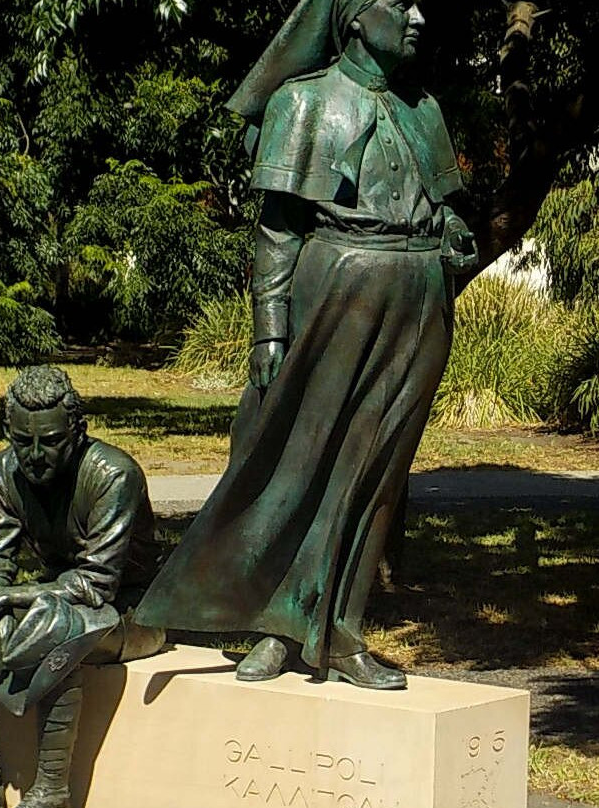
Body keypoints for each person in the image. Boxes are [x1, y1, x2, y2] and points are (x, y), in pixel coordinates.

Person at [135, 0, 476, 690]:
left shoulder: (424, 108)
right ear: (352, 18)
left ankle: (342, 631)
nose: (417, 15)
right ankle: (270, 624)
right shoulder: (303, 103)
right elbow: (277, 228)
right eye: (395, 3)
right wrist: (269, 325)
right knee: (297, 458)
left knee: (378, 472)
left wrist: (448, 230)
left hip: (419, 295)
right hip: (336, 285)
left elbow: (436, 199)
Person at [0, 366, 164, 808]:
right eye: (23, 441)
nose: (35, 455)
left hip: (133, 613)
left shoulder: (114, 475)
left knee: (57, 624)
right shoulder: (2, 470)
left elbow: (97, 584)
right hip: (59, 595)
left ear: (78, 432)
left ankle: (51, 792)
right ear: (8, 432)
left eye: (51, 442)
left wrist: (5, 598)